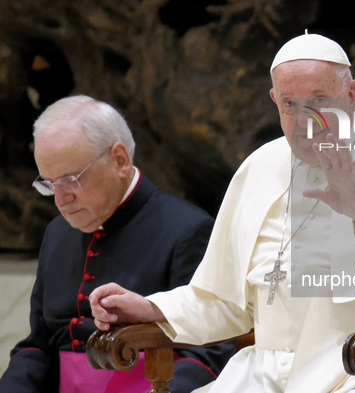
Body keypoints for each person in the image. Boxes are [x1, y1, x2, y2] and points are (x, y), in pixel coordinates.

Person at [89, 33, 355, 392]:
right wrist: (153, 308)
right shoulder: (259, 168)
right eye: (290, 104)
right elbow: (225, 301)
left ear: (353, 94)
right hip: (269, 371)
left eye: (320, 100)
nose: (304, 122)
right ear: (274, 101)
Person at [0, 95, 234, 393]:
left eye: (71, 179)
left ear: (120, 160)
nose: (60, 199)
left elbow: (210, 351)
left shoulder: (187, 229)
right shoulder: (57, 232)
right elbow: (41, 344)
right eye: (49, 184)